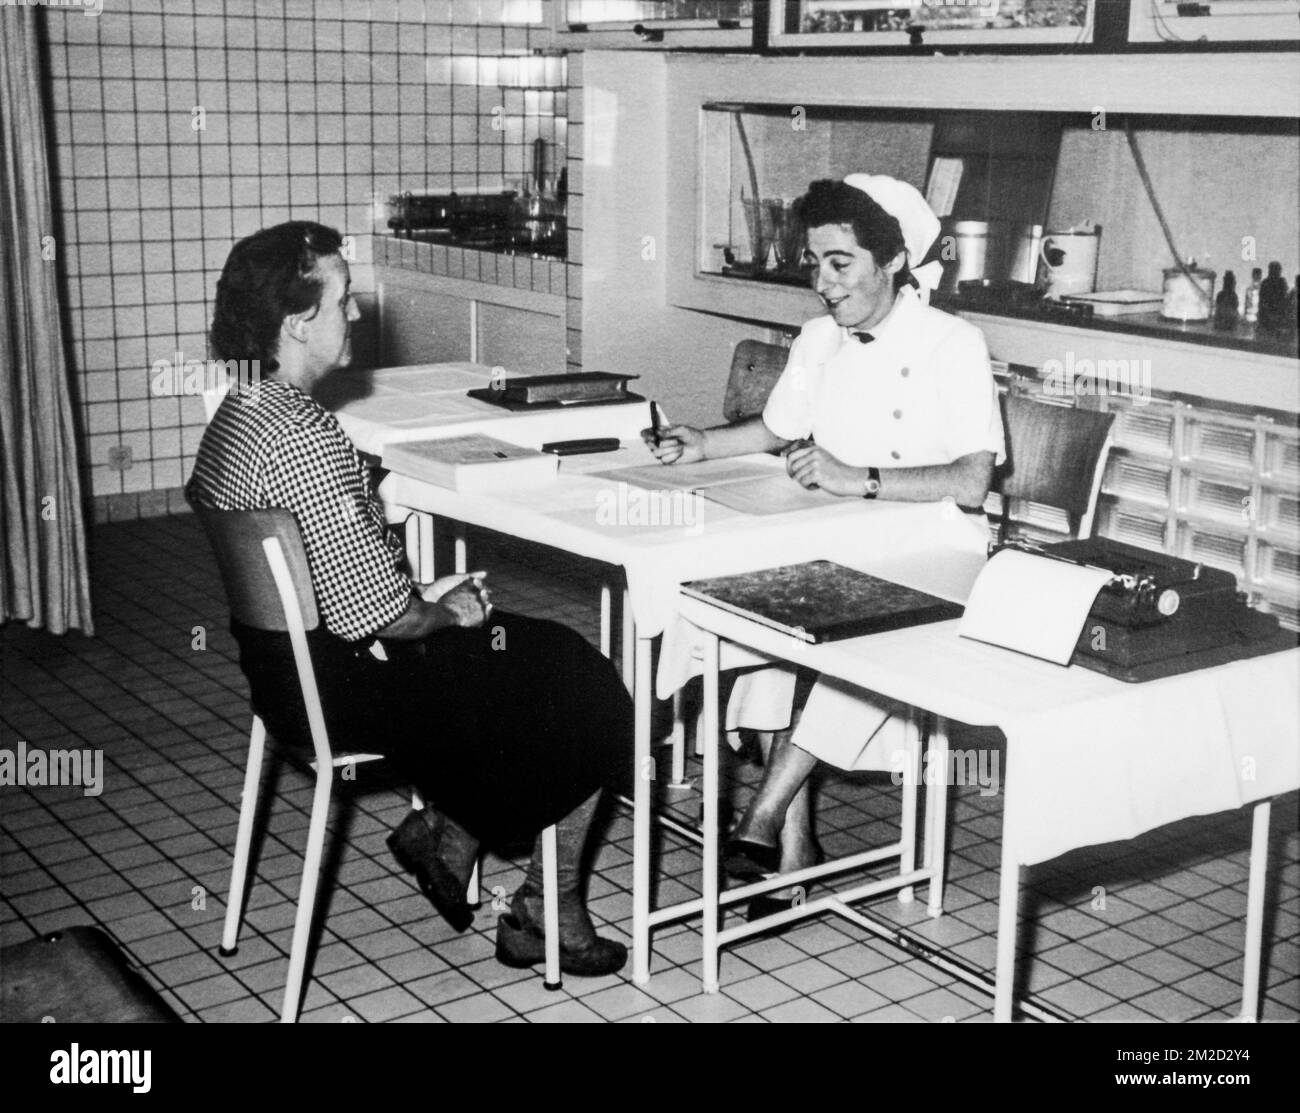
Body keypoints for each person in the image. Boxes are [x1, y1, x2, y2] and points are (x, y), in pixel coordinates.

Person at [188, 221, 632, 976]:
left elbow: (332, 577)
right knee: (581, 677)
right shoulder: (304, 433)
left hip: (285, 678)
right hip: (351, 687)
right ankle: (537, 909)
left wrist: (423, 593)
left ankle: (450, 838)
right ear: (297, 322)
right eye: (343, 299)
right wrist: (441, 609)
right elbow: (381, 615)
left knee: (528, 654)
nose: (357, 313)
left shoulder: (239, 413)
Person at [647, 176, 1005, 902]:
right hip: (841, 536)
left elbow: (972, 480)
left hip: (939, 544)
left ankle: (767, 809)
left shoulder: (953, 344)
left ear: (893, 260)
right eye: (813, 264)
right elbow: (777, 428)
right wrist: (701, 444)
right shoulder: (818, 339)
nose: (822, 283)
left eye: (840, 263)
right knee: (764, 618)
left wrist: (858, 478)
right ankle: (796, 843)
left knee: (860, 639)